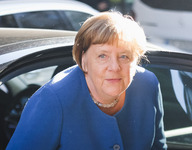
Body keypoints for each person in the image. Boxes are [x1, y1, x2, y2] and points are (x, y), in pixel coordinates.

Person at [6, 11, 167, 150]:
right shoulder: (52, 100)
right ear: (84, 61)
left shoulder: (148, 85)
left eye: (124, 56)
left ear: (136, 60)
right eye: (102, 56)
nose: (114, 67)